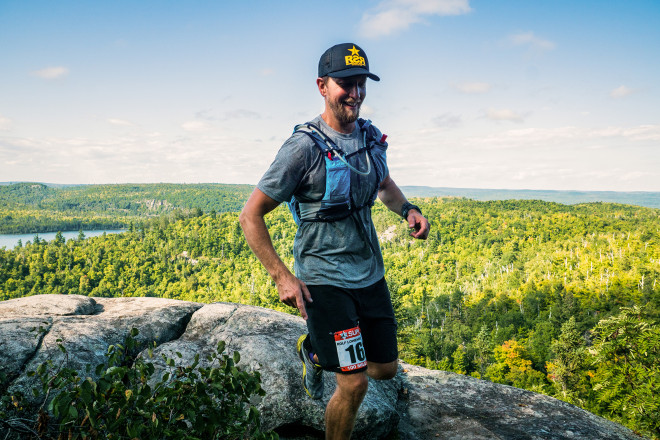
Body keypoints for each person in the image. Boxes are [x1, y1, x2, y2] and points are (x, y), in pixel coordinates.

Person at [239, 42, 430, 440]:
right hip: (323, 278)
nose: (356, 93)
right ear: (322, 86)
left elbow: (384, 184)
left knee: (384, 370)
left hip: (368, 272)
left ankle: (315, 348)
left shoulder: (370, 138)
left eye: (361, 83)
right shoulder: (304, 147)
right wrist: (282, 277)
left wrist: (408, 209)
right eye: (346, 84)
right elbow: (250, 215)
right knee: (354, 382)